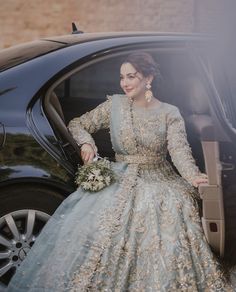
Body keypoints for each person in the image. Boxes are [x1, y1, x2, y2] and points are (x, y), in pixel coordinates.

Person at [7, 52, 234, 291]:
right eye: (122, 77)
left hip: (159, 176)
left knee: (174, 204)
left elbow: (179, 151)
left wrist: (193, 176)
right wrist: (87, 143)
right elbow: (78, 124)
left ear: (149, 78)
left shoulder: (170, 113)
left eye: (131, 76)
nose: (124, 83)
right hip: (119, 174)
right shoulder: (114, 105)